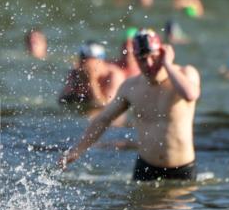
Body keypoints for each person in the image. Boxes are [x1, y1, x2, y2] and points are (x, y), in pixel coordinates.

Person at [59, 29, 201, 182]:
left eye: (152, 57)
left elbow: (190, 94)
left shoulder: (186, 73)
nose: (148, 64)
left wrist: (167, 64)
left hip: (181, 169)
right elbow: (103, 119)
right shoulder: (131, 86)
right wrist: (77, 150)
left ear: (162, 53)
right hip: (146, 168)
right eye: (141, 59)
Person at [59, 41, 125, 111]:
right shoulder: (76, 73)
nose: (84, 64)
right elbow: (62, 101)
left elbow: (106, 106)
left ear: (100, 61)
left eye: (88, 60)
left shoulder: (114, 75)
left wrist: (92, 81)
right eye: (82, 60)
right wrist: (75, 82)